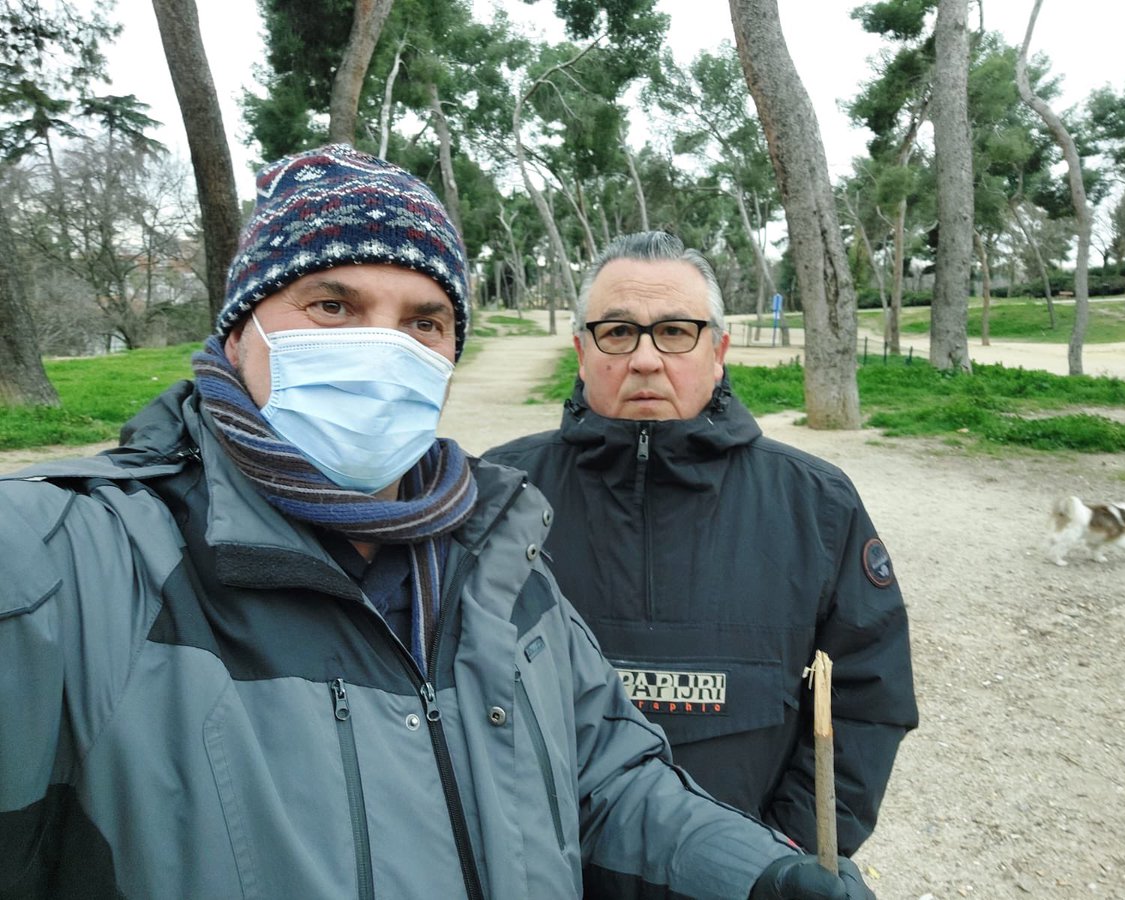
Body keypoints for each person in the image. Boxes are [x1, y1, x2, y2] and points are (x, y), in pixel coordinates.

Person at [0, 147, 874, 900]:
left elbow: (603, 778)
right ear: (238, 332)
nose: (384, 349)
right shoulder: (63, 562)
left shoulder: (491, 548)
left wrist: (761, 872)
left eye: (425, 320)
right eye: (333, 306)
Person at [484, 231, 919, 858]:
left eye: (675, 332)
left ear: (718, 350)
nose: (645, 359)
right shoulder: (500, 496)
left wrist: (785, 849)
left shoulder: (816, 504)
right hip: (545, 869)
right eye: (618, 332)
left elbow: (868, 697)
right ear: (582, 351)